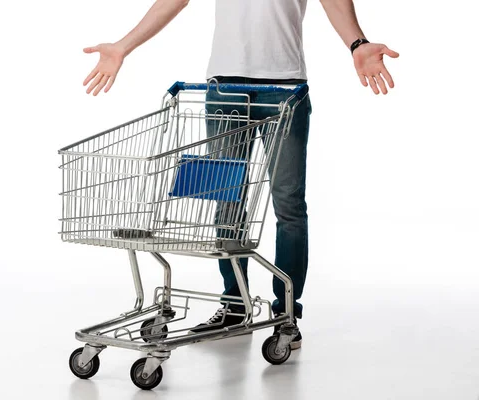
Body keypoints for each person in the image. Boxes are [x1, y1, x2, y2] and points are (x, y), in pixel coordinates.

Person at [82, 0, 398, 350]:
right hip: (224, 88)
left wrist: (357, 43)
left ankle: (286, 315)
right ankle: (235, 306)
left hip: (285, 88)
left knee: (288, 205)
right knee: (227, 201)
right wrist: (123, 47)